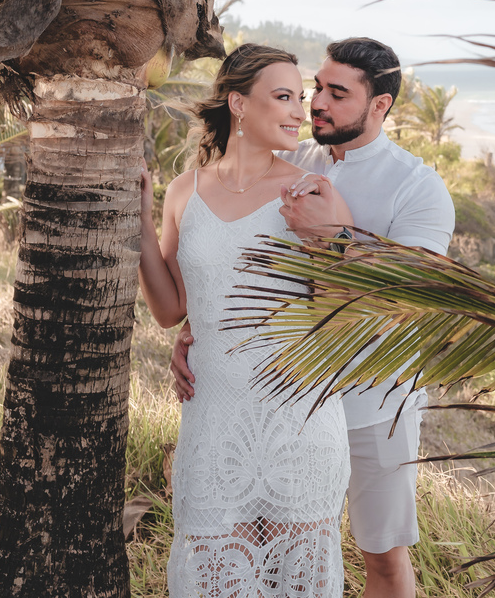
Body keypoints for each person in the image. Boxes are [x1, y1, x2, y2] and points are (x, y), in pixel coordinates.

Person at [171, 37, 456, 598]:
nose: (317, 103)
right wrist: (194, 328)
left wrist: (335, 239)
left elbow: (411, 298)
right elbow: (234, 258)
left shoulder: (419, 189)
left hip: (376, 401)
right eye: (316, 88)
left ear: (380, 106)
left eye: (337, 93)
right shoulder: (294, 160)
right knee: (266, 554)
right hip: (281, 402)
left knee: (382, 558)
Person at [140, 43, 355, 597]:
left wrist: (329, 240)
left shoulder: (312, 193)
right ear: (238, 103)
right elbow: (171, 310)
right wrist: (140, 225)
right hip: (213, 418)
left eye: (299, 99)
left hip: (299, 420)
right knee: (214, 576)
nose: (297, 112)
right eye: (282, 97)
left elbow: (343, 313)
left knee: (296, 582)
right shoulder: (185, 189)